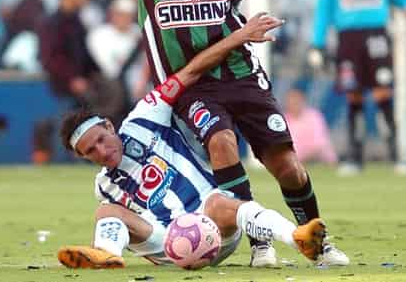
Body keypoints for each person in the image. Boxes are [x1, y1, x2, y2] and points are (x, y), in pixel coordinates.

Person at [32, 0, 364, 266]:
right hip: (188, 84)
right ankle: (261, 243)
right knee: (221, 142)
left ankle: (320, 243)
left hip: (239, 72)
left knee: (287, 167)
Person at [57, 14, 327, 270]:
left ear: (108, 125)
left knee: (220, 204)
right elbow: (138, 234)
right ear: (83, 157)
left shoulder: (144, 117)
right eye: (90, 151)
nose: (101, 151)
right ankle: (106, 254)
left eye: (101, 140)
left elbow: (188, 73)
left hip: (213, 224)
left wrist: (238, 37)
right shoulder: (104, 186)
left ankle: (297, 237)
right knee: (105, 211)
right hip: (167, 241)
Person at [309, 0, 406, 175]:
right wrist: (317, 44)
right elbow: (324, 10)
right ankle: (354, 155)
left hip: (376, 36)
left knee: (383, 92)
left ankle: (397, 155)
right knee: (353, 94)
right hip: (347, 39)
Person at [284, 83, 337, 165]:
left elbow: (318, 145)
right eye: (290, 99)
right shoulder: (282, 120)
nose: (293, 102)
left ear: (302, 99)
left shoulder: (314, 117)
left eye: (296, 99)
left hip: (316, 160)